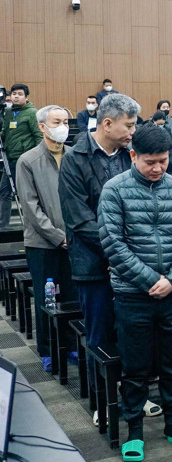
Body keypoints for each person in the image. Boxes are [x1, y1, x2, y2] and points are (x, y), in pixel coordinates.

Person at [98, 124, 172, 460]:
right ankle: (134, 431)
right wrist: (149, 280)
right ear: (133, 155)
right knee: (135, 366)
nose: (158, 168)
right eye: (150, 162)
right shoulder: (114, 190)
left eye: (163, 161)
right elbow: (113, 244)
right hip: (132, 294)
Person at [59, 93, 139, 421]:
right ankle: (101, 401)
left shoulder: (130, 155)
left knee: (132, 333)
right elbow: (79, 220)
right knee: (99, 335)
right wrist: (118, 252)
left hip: (131, 264)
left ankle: (134, 397)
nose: (133, 131)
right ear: (107, 123)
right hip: (94, 264)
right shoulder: (75, 158)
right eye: (128, 125)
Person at [18, 105, 75, 372]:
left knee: (73, 296)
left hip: (74, 242)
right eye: (56, 122)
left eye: (65, 121)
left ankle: (72, 344)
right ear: (42, 127)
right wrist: (57, 237)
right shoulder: (28, 160)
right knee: (46, 298)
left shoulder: (74, 156)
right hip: (42, 243)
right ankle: (48, 349)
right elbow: (30, 207)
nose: (63, 126)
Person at [0, 83, 43, 227]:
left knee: (26, 193)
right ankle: (3, 225)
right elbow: (5, 132)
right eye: (14, 94)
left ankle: (32, 224)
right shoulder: (9, 112)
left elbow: (38, 136)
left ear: (26, 97)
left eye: (19, 94)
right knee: (4, 192)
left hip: (25, 160)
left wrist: (37, 158)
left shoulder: (32, 113)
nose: (16, 97)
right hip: (10, 159)